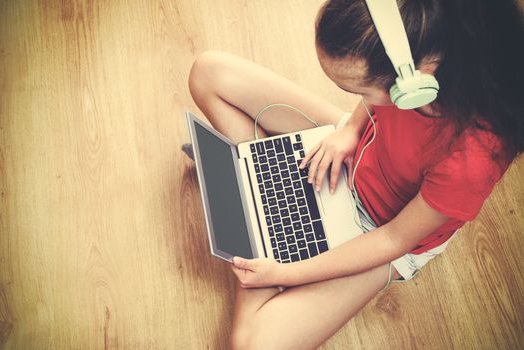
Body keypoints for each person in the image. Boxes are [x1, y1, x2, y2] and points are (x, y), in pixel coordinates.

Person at [187, 0, 524, 349]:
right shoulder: (419, 45)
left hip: (380, 230)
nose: (361, 98)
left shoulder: (473, 158)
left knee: (251, 345)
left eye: (361, 91)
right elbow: (373, 103)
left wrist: (284, 272)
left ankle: (261, 208)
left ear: (413, 84)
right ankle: (266, 186)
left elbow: (394, 239)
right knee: (209, 71)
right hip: (355, 147)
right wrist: (350, 130)